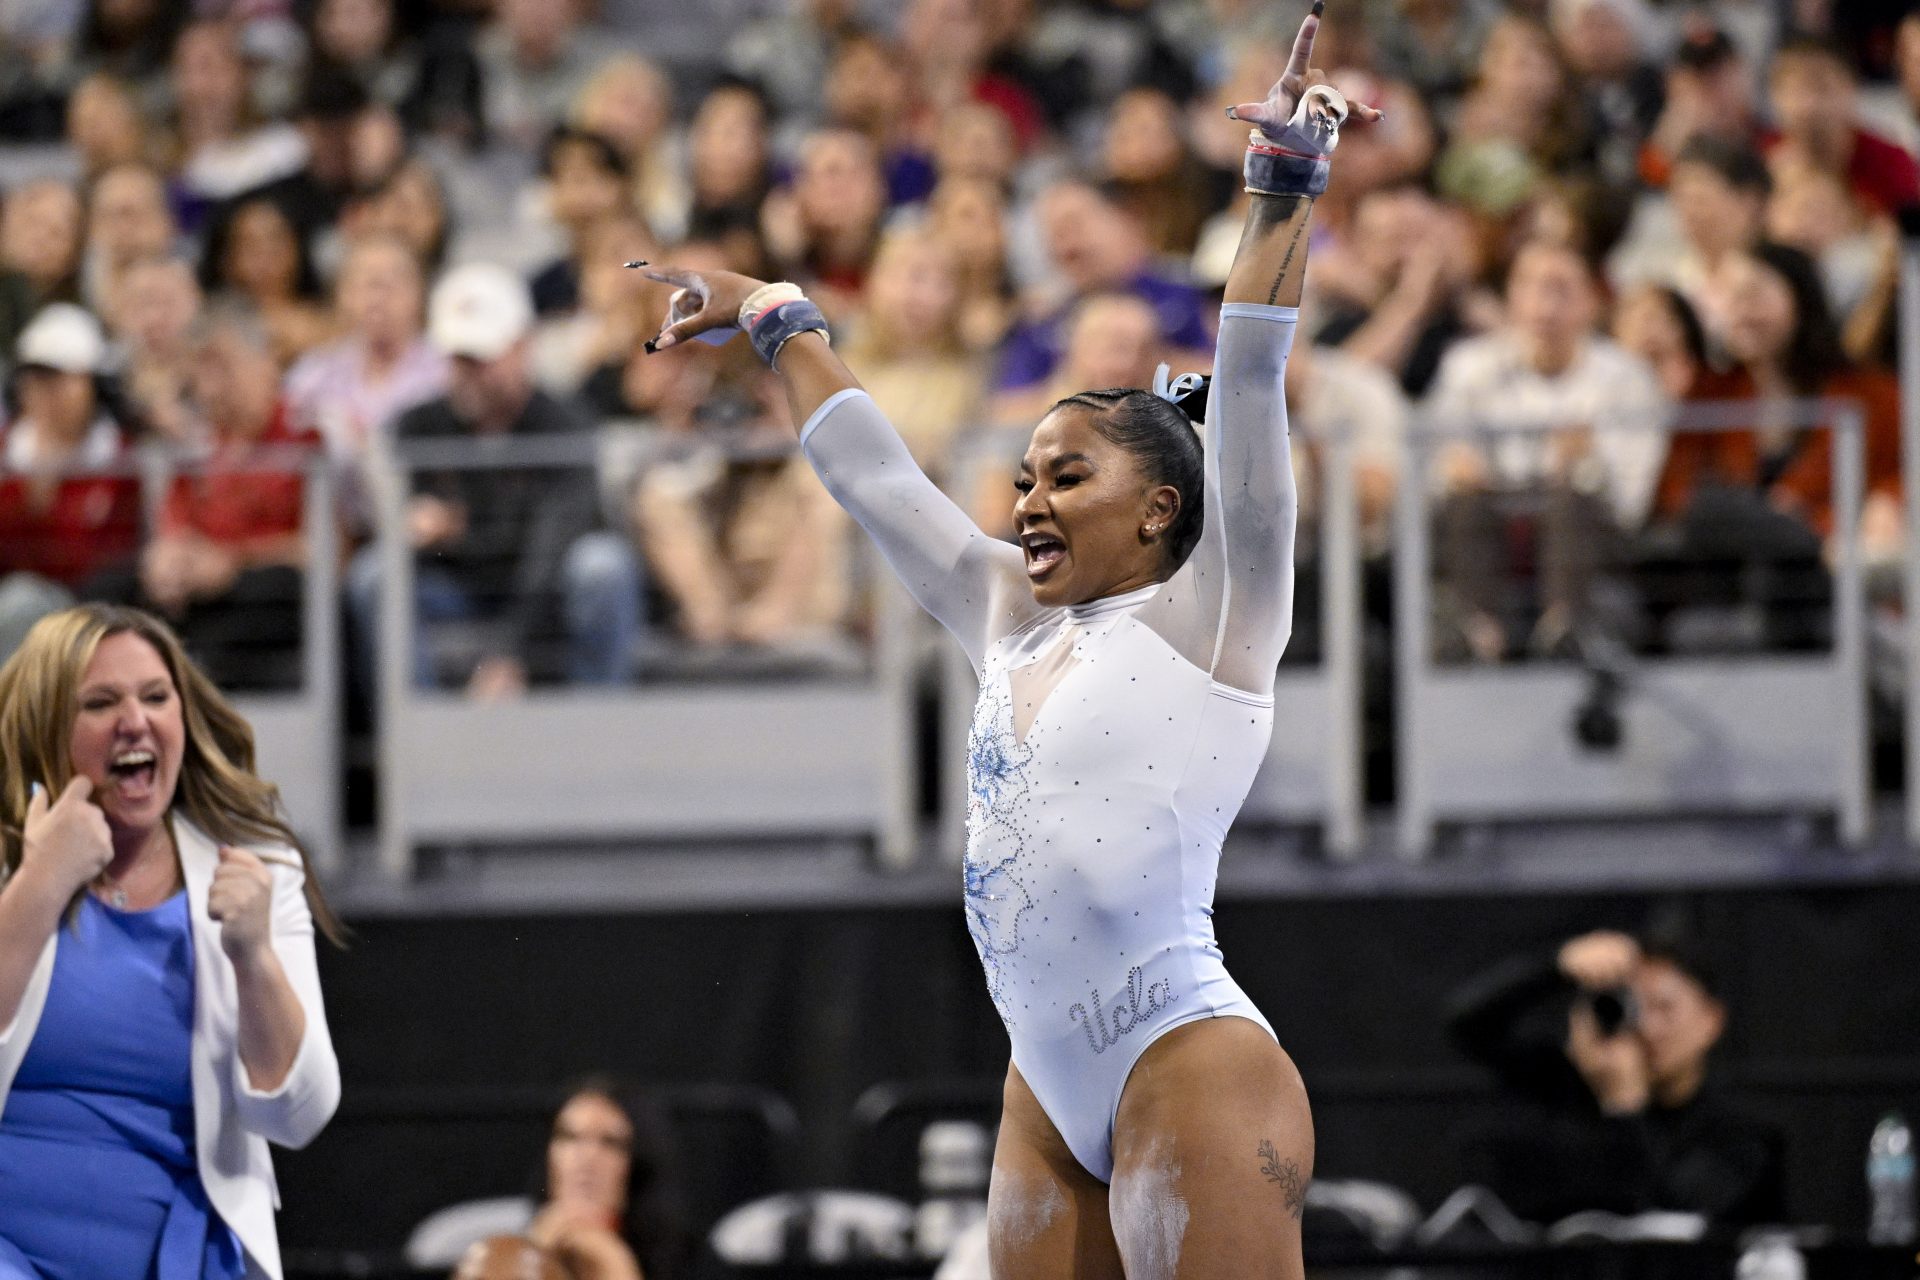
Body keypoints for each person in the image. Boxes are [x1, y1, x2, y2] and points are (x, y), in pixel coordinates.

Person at [641, 7, 1377, 1270]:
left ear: (1158, 505)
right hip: (1045, 1084)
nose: (1027, 500)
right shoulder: (1004, 612)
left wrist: (1286, 180)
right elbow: (877, 479)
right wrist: (775, 313)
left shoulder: (1220, 606)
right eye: (1026, 475)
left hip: (1183, 1054)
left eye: (1065, 476)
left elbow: (1247, 374)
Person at [0, 602, 343, 1279]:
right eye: (100, 702)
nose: (137, 720)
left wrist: (254, 958)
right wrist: (42, 883)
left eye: (156, 697)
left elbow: (300, 1115)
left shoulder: (257, 869)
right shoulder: (13, 868)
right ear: (48, 726)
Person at [347, 263, 643, 698]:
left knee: (603, 566)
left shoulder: (566, 426)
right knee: (375, 575)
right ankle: (419, 739)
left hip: (546, 590)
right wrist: (410, 529)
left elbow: (554, 545)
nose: (468, 373)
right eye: (457, 358)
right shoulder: (417, 426)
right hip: (458, 587)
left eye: (480, 359)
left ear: (521, 348)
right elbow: (401, 525)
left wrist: (511, 654)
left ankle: (598, 729)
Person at [1445, 924, 1786, 1226]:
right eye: (1632, 1007)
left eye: (1665, 1008)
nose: (1648, 1028)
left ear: (1712, 1019)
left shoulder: (1741, 1132)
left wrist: (1625, 1107)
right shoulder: (1563, 1087)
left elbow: (1679, 1217)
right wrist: (1556, 966)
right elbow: (1467, 1026)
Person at [0, 305, 143, 658]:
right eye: (35, 379)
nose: (46, 392)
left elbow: (106, 554)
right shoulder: (7, 450)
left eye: (59, 379)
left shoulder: (119, 457)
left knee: (23, 601)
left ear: (93, 384)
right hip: (12, 602)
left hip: (88, 609)